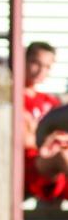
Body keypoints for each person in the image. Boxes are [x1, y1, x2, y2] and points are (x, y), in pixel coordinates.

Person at [21, 43, 66, 201]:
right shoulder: (14, 98)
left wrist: (36, 130)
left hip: (56, 169)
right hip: (28, 168)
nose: (41, 71)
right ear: (23, 61)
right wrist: (49, 136)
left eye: (47, 66)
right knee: (62, 154)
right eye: (36, 63)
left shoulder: (49, 101)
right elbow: (25, 140)